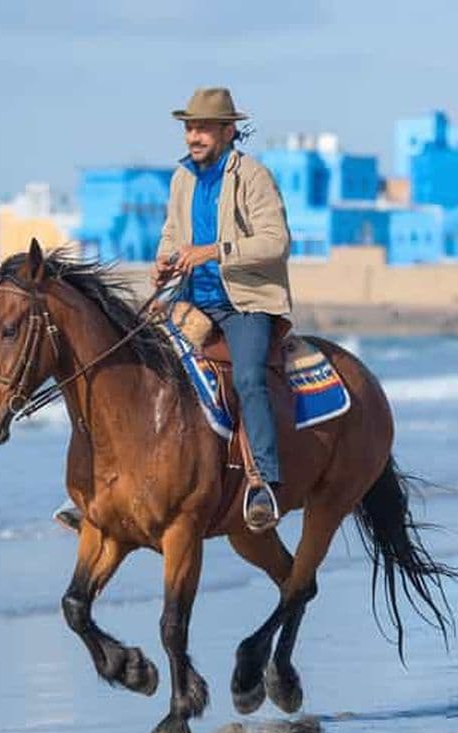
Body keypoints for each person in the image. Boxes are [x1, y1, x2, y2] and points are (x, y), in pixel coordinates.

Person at [153, 87, 292, 532]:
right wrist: (164, 261)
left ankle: (264, 482)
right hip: (190, 298)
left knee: (249, 379)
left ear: (228, 131)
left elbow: (276, 242)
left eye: (203, 129)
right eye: (189, 128)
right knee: (134, 362)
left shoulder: (252, 176)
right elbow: (172, 233)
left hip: (245, 301)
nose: (193, 137)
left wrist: (214, 251)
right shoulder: (182, 178)